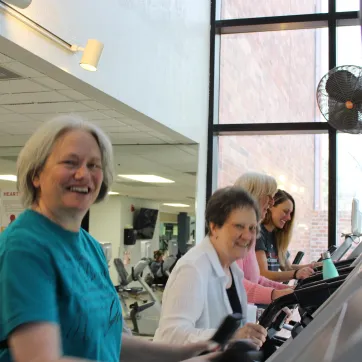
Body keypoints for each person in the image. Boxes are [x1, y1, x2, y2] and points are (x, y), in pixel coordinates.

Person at [0, 114, 218, 362]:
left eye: (94, 165)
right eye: (70, 162)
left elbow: (112, 343)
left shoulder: (90, 246)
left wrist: (189, 352)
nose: (83, 174)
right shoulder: (25, 247)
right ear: (35, 175)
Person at [153, 186, 267, 348]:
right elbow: (170, 336)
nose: (248, 236)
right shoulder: (193, 269)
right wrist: (229, 336)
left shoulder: (232, 270)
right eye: (239, 226)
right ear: (214, 227)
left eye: (252, 228)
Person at [233, 172, 294, 305]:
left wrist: (289, 290)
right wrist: (274, 294)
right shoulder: (233, 236)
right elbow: (234, 284)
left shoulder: (250, 235)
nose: (272, 202)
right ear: (252, 197)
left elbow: (256, 279)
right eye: (269, 196)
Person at [256, 189, 315, 282]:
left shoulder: (276, 236)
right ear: (271, 206)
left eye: (290, 213)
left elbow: (287, 268)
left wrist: (314, 266)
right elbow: (264, 274)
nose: (288, 218)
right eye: (285, 211)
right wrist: (296, 274)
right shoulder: (258, 234)